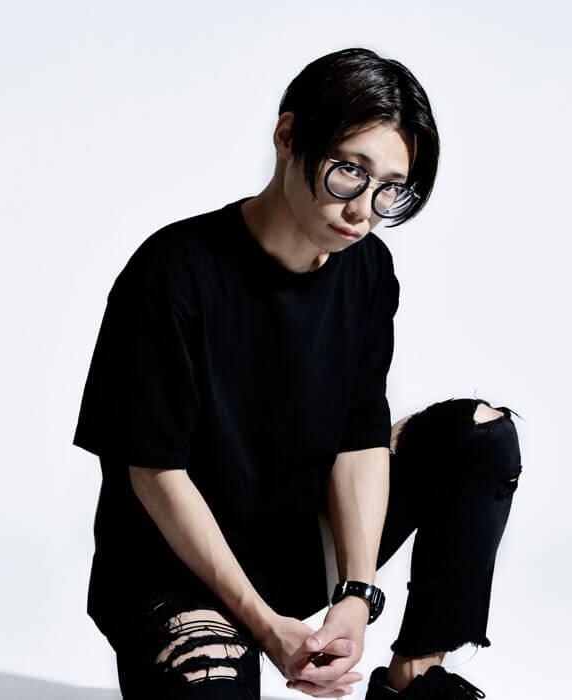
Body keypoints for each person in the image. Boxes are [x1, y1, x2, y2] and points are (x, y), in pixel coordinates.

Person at [72, 47, 523, 700]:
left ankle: (413, 680)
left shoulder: (368, 269)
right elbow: (155, 473)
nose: (363, 209)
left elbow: (360, 436)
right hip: (174, 568)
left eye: (390, 188)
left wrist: (356, 595)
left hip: (292, 540)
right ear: (287, 136)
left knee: (479, 436)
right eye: (349, 171)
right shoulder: (173, 271)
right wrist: (265, 626)